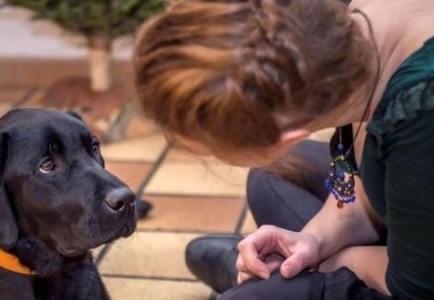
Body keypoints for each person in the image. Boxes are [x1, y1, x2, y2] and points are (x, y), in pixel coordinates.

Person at [132, 0, 434, 299]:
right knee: (277, 174)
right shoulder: (354, 33)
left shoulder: (421, 120)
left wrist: (321, 266)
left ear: (289, 133)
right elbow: (358, 187)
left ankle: (261, 288)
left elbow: (415, 287)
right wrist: (312, 241)